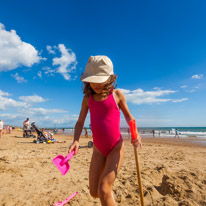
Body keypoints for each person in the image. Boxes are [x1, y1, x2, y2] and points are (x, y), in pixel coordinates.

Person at [69, 55, 142, 206]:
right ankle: (109, 195)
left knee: (103, 189)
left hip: (116, 147)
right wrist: (76, 140)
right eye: (92, 80)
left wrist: (135, 134)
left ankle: (107, 190)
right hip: (98, 150)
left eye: (99, 80)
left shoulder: (117, 95)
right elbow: (80, 121)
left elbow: (129, 117)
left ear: (109, 78)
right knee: (95, 192)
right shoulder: (87, 99)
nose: (95, 85)